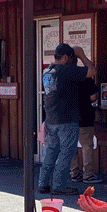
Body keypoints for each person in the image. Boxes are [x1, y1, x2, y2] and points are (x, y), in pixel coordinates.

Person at [38, 43, 94, 196]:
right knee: (66, 153)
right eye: (70, 58)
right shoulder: (66, 70)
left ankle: (43, 183)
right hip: (67, 118)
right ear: (64, 57)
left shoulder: (47, 71)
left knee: (51, 152)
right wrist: (82, 55)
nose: (72, 61)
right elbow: (92, 71)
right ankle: (59, 185)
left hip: (51, 118)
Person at [70, 56, 100, 183]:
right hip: (84, 115)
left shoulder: (64, 78)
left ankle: (74, 173)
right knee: (86, 145)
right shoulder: (85, 78)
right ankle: (88, 174)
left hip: (68, 116)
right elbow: (93, 97)